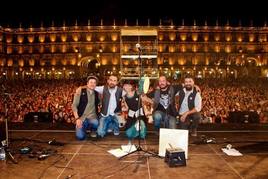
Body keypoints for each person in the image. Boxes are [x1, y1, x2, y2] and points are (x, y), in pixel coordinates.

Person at [72, 76, 100, 140]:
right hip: (81, 118)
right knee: (80, 137)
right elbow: (74, 105)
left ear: (96, 84)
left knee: (96, 122)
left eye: (94, 83)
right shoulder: (80, 91)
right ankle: (83, 128)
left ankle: (93, 130)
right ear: (87, 83)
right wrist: (77, 119)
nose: (92, 84)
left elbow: (100, 103)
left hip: (92, 117)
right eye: (91, 82)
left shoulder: (97, 94)